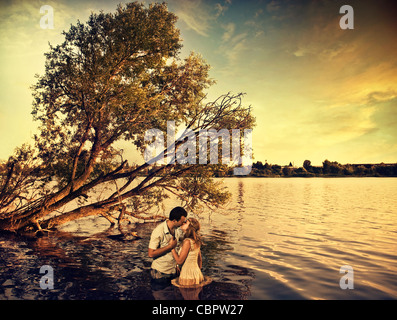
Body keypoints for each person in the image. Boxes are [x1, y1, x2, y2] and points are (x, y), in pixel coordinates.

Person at [148, 206, 187, 285]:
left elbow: (177, 248)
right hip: (160, 273)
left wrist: (176, 265)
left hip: (172, 271)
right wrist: (170, 247)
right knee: (160, 295)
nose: (183, 223)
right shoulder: (158, 231)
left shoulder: (177, 229)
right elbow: (151, 253)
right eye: (182, 222)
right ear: (174, 220)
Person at [171, 218, 212, 291]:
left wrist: (171, 247)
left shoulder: (187, 241)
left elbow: (179, 261)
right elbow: (200, 263)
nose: (183, 223)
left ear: (190, 227)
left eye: (186, 222)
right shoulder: (196, 241)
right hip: (196, 274)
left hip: (187, 275)